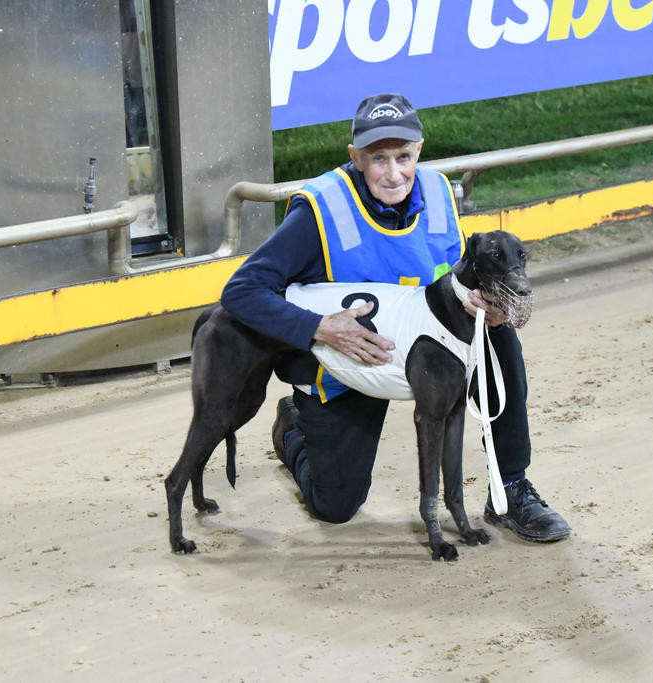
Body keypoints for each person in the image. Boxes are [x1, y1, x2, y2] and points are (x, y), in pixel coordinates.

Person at [221, 93, 571, 542]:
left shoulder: (441, 195)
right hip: (351, 363)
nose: (393, 172)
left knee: (498, 342)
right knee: (335, 508)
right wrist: (319, 327)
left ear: (418, 152)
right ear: (355, 157)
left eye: (403, 157)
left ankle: (510, 487)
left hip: (422, 355)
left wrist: (493, 310)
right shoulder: (320, 208)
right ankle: (293, 428)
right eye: (378, 158)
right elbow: (240, 290)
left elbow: (458, 279)